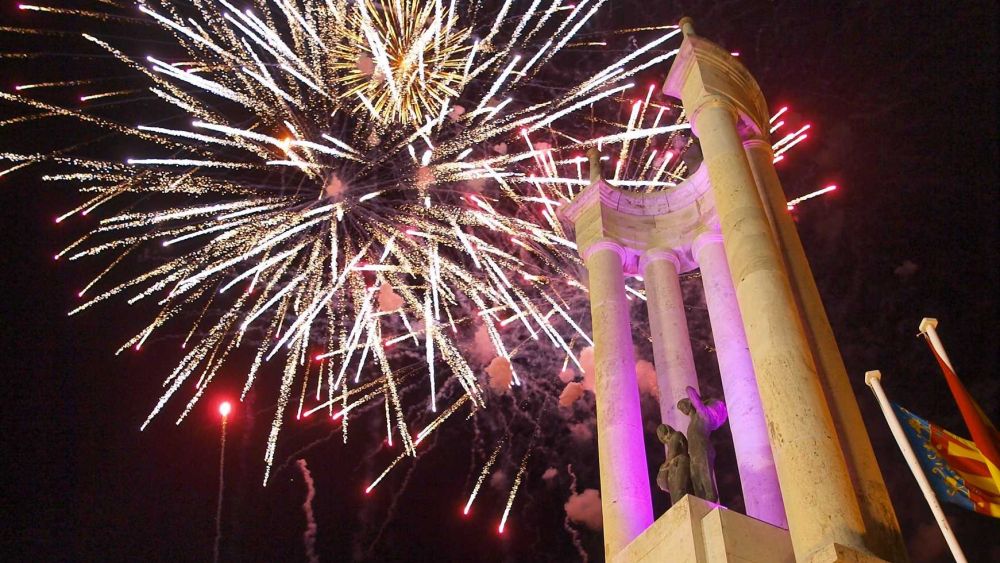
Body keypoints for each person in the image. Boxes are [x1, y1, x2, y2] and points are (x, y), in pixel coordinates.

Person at [677, 385, 728, 503]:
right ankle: (701, 502)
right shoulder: (692, 422)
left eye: (683, 405)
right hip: (693, 452)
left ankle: (711, 497)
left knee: (705, 476)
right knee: (696, 480)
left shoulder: (703, 414)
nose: (682, 409)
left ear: (691, 403)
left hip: (702, 448)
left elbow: (690, 390)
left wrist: (691, 393)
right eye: (680, 408)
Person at [655, 423, 692, 505]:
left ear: (668, 430)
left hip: (681, 463)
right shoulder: (670, 441)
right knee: (674, 493)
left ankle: (683, 506)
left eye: (665, 435)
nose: (666, 438)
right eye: (663, 438)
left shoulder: (676, 435)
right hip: (674, 467)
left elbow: (672, 454)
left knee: (679, 489)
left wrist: (663, 467)